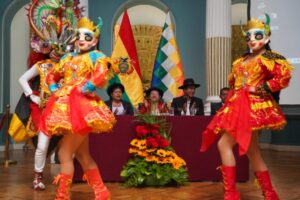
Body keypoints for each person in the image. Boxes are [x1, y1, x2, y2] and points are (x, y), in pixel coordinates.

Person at [200, 14, 293, 200]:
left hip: (252, 108)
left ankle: (231, 194)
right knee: (253, 152)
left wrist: (259, 88)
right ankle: (270, 193)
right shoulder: (241, 60)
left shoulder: (270, 58)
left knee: (223, 144)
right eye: (248, 36)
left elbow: (282, 77)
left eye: (257, 36)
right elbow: (235, 83)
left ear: (267, 37)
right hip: (237, 106)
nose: (252, 40)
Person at [40, 17, 115, 200]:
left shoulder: (96, 56)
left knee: (65, 152)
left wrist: (91, 84)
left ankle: (62, 195)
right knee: (82, 154)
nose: (81, 39)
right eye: (79, 36)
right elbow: (52, 75)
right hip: (65, 106)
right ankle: (102, 191)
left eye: (87, 36)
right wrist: (52, 86)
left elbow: (101, 72)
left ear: (95, 40)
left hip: (82, 107)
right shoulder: (67, 58)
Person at [11, 0, 81, 191]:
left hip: (66, 111)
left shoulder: (70, 66)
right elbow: (23, 79)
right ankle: (38, 177)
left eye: (61, 47)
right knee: (42, 146)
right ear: (47, 48)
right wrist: (31, 95)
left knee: (69, 148)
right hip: (45, 111)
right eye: (54, 48)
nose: (57, 52)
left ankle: (66, 176)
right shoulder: (42, 66)